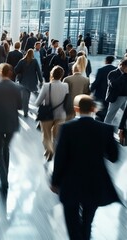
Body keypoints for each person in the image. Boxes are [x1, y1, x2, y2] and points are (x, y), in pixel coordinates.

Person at [51, 95, 120, 240]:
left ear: (76, 109)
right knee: (87, 222)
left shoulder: (67, 128)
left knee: (72, 223)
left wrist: (55, 181)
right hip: (95, 183)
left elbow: (60, 158)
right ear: (94, 109)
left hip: (71, 183)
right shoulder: (105, 129)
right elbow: (114, 157)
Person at [0, 63, 22, 200]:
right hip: (12, 123)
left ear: (0, 72)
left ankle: (3, 179)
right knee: (6, 148)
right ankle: (6, 173)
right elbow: (20, 106)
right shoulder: (16, 87)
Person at [35, 66, 69, 161]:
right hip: (61, 115)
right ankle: (52, 150)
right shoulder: (66, 86)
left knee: (46, 136)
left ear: (51, 74)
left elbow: (37, 102)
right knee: (56, 136)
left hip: (47, 116)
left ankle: (49, 150)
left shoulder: (46, 86)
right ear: (62, 75)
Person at [15, 49, 43, 117]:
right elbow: (38, 72)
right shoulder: (35, 61)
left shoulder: (21, 61)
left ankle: (25, 112)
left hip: (23, 82)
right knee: (32, 94)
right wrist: (41, 80)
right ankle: (36, 109)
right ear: (32, 54)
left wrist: (20, 73)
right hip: (32, 82)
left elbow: (16, 70)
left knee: (25, 97)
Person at [91, 56, 116, 121]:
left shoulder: (101, 70)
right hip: (111, 94)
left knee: (100, 111)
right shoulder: (116, 70)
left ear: (106, 61)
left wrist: (90, 90)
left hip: (100, 94)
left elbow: (96, 82)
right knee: (108, 110)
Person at [104, 59, 127, 126]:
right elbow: (114, 84)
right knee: (110, 115)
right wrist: (123, 75)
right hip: (116, 97)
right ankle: (105, 129)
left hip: (125, 97)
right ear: (123, 66)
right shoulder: (113, 73)